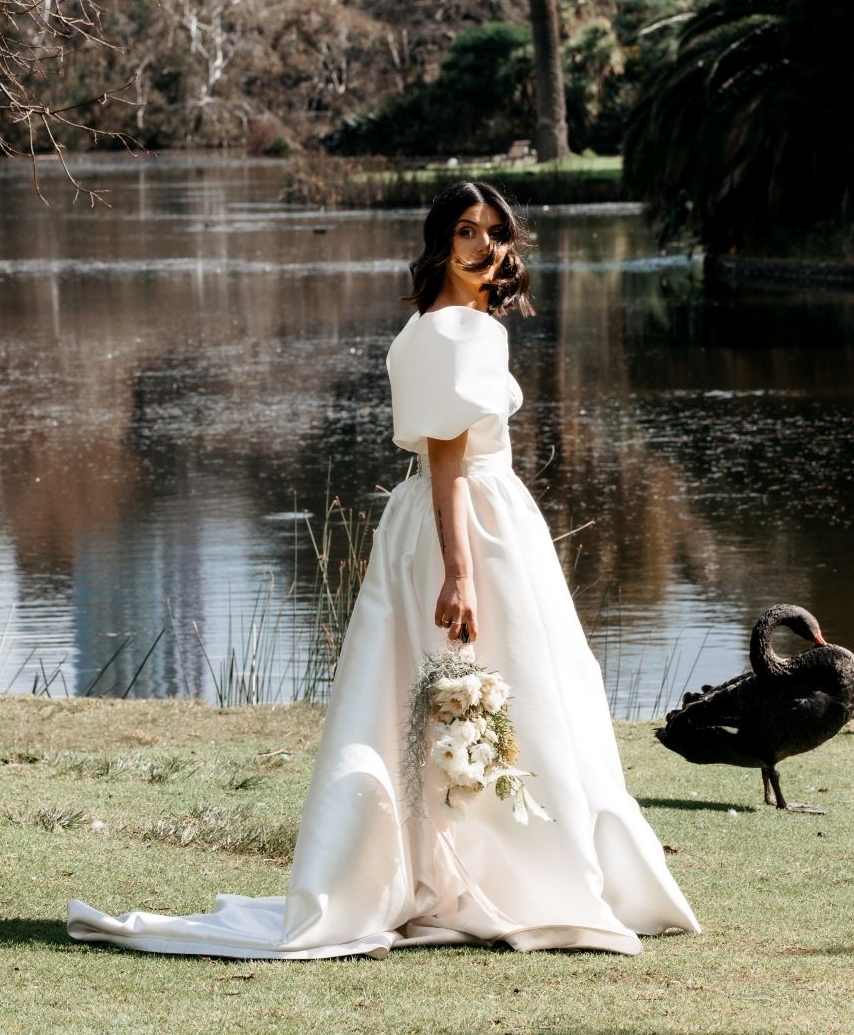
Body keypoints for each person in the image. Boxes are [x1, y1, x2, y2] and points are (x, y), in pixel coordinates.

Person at [66, 179, 700, 958]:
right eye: (467, 230)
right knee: (486, 683)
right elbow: (446, 458)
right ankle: (498, 871)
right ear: (441, 240)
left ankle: (464, 866)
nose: (485, 246)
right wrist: (460, 572)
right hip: (470, 525)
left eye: (495, 232)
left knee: (489, 689)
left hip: (467, 520)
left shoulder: (441, 324)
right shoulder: (455, 330)